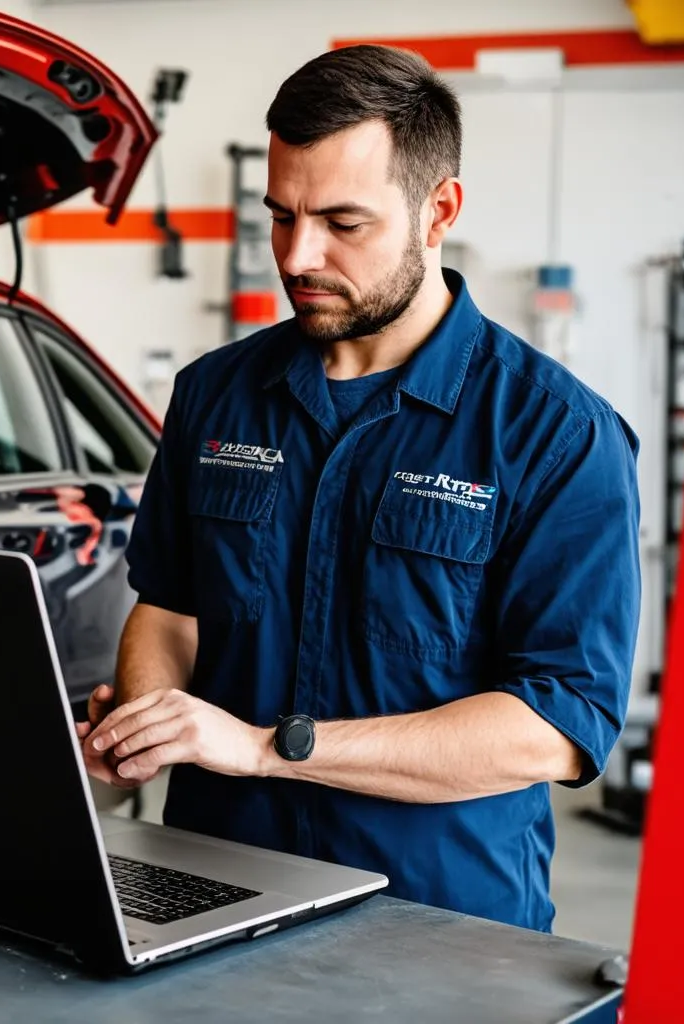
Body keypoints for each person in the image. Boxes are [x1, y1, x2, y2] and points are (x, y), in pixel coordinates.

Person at [76, 44, 642, 932]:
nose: (298, 256)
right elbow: (171, 606)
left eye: (344, 222)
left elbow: (553, 726)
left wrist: (269, 751)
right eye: (281, 216)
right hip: (216, 888)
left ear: (437, 211)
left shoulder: (557, 434)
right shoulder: (215, 395)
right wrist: (150, 718)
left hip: (436, 921)